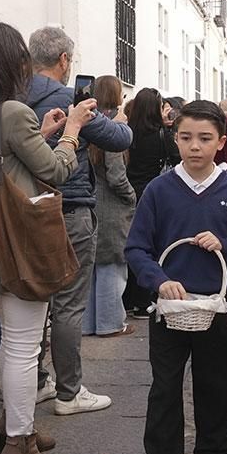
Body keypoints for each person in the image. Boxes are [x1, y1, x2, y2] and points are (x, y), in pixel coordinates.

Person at [0, 20, 95, 454]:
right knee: (23, 344)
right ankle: (18, 443)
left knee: (15, 339)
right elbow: (56, 170)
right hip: (16, 242)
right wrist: (71, 129)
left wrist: (45, 132)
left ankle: (19, 426)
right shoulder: (11, 112)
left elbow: (11, 166)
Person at [124, 100, 227, 454]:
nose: (194, 147)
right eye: (185, 138)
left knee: (216, 388)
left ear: (221, 142)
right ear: (174, 138)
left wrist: (226, 246)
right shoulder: (159, 191)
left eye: (204, 139)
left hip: (216, 309)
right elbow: (136, 248)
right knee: (164, 393)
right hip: (170, 311)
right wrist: (158, 278)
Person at [25, 26, 133, 416]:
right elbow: (120, 140)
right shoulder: (70, 99)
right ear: (64, 60)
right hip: (70, 210)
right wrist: (117, 119)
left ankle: (36, 381)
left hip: (27, 212)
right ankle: (70, 392)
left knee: (35, 302)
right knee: (68, 304)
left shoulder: (14, 96)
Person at [83, 76, 137, 338]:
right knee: (113, 266)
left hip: (92, 200)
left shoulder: (88, 120)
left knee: (92, 266)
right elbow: (117, 175)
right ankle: (110, 324)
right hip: (113, 206)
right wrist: (131, 196)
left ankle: (88, 325)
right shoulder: (113, 123)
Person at [123, 88, 181, 319]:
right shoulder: (161, 134)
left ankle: (127, 298)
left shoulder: (126, 132)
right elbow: (177, 159)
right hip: (153, 192)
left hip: (129, 191)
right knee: (151, 245)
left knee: (133, 245)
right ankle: (143, 298)